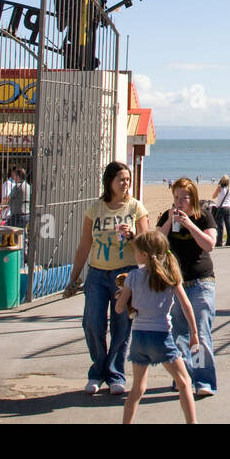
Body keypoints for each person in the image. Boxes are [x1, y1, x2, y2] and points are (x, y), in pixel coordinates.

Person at [64, 161, 149, 395]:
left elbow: (147, 246)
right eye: (121, 179)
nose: (126, 183)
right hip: (97, 274)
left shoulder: (136, 208)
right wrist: (73, 278)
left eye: (128, 179)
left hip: (126, 274)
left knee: (122, 326)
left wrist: (132, 236)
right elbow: (84, 245)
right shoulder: (96, 209)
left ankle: (115, 374)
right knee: (92, 322)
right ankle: (98, 370)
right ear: (109, 181)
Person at [115, 231, 199, 424]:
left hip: (138, 337)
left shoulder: (133, 276)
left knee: (137, 389)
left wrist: (123, 297)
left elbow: (119, 308)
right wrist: (194, 333)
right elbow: (186, 305)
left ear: (144, 254)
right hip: (160, 336)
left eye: (136, 251)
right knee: (184, 381)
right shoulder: (169, 275)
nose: (134, 254)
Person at [155, 178, 218, 398]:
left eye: (185, 197)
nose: (180, 202)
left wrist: (190, 224)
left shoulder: (203, 215)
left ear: (193, 197)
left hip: (201, 281)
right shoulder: (167, 216)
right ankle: (184, 377)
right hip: (175, 283)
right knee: (177, 334)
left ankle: (204, 381)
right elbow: (156, 244)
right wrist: (167, 223)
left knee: (199, 333)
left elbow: (210, 244)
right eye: (176, 198)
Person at [211, 175, 230, 247]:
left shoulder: (219, 187)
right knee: (228, 225)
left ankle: (219, 241)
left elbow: (213, 196)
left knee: (220, 226)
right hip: (228, 207)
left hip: (220, 208)